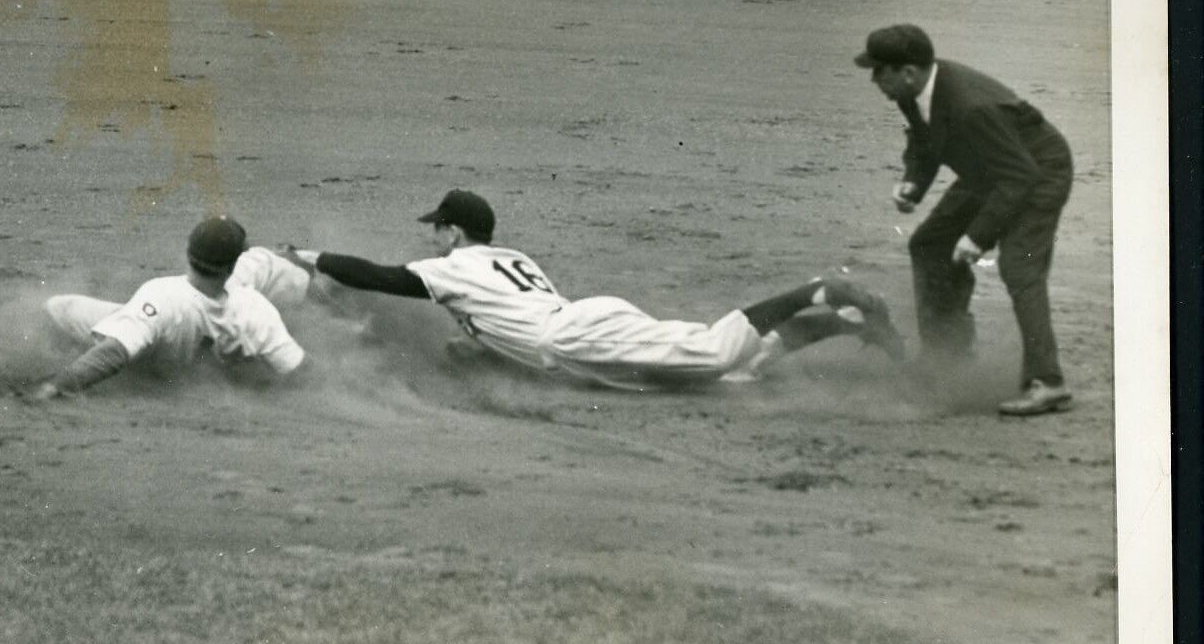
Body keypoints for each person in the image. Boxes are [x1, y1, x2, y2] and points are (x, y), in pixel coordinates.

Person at [282, 188, 903, 391]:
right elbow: (496, 325)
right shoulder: (509, 257)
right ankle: (827, 325)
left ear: (451, 230)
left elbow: (381, 278)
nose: (433, 238)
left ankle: (812, 290)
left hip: (576, 333)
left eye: (437, 229)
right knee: (727, 382)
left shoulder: (454, 266)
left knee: (716, 351)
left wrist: (311, 258)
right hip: (579, 330)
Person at [857, 23, 1074, 416]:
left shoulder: (970, 106)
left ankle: (1048, 382)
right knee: (929, 244)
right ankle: (947, 354)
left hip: (1038, 172)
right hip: (991, 170)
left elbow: (1019, 176)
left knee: (1019, 267)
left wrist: (977, 237)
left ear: (907, 71)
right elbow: (924, 141)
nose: (875, 80)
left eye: (880, 71)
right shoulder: (914, 92)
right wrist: (913, 184)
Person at [28, 216, 308, 400]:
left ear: (188, 253)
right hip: (192, 368)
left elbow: (113, 353)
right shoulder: (255, 308)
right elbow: (297, 370)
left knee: (58, 306)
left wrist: (55, 386)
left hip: (146, 358)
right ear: (233, 266)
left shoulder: (162, 295)